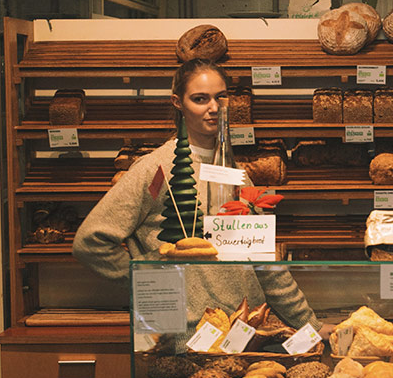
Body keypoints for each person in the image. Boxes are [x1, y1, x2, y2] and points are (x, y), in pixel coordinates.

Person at [73, 59, 332, 340]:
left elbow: (266, 264)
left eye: (220, 97)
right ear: (178, 103)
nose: (213, 107)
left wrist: (310, 325)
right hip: (187, 335)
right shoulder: (156, 169)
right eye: (200, 99)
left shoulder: (236, 174)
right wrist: (148, 278)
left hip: (245, 333)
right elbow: (90, 241)